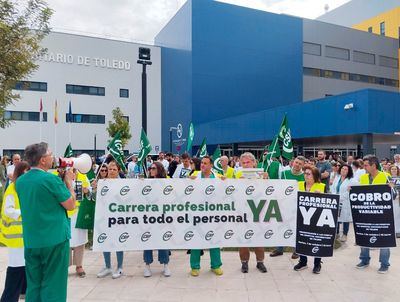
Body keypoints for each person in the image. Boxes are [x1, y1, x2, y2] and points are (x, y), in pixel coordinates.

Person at [15, 142, 76, 301]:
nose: (53, 157)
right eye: (50, 154)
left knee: (34, 285)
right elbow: (70, 205)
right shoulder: (50, 180)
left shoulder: (20, 182)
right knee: (54, 285)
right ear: (42, 160)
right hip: (55, 239)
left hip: (32, 241)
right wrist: (69, 183)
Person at [356, 156, 392, 274]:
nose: (364, 167)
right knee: (364, 234)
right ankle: (364, 259)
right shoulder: (363, 177)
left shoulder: (386, 176)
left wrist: (392, 189)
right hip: (366, 213)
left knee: (384, 238)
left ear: (374, 165)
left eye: (366, 165)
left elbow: (395, 195)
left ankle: (384, 263)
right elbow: (359, 193)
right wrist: (352, 190)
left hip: (383, 214)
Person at [0, 161, 30, 302]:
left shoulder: (23, 187)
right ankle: (8, 298)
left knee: (23, 266)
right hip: (16, 237)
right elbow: (8, 210)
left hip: (24, 236)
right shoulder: (12, 189)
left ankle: (23, 292)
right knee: (16, 269)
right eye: (25, 172)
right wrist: (23, 212)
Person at [189, 156, 223, 276]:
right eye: (202, 163)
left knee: (214, 240)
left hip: (213, 215)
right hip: (198, 215)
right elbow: (181, 186)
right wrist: (188, 180)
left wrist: (226, 181)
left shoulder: (218, 177)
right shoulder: (195, 175)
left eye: (205, 163)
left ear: (211, 165)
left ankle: (216, 265)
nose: (202, 165)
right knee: (196, 241)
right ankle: (195, 267)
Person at [235, 152, 268, 273]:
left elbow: (269, 191)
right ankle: (244, 263)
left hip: (258, 210)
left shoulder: (262, 174)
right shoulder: (237, 174)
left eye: (248, 162)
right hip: (243, 211)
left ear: (254, 163)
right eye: (243, 163)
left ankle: (260, 262)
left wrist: (266, 180)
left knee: (258, 239)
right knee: (243, 239)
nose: (246, 165)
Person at [270, 156, 306, 258]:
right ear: (293, 162)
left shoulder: (304, 176)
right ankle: (279, 249)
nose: (297, 165)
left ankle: (297, 250)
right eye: (296, 162)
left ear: (303, 165)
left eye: (300, 163)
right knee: (282, 226)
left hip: (298, 206)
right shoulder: (284, 174)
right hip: (284, 205)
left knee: (296, 228)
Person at [294, 165, 326, 274]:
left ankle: (317, 264)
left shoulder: (322, 186)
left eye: (308, 174)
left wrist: (322, 195)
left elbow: (330, 201)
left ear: (315, 176)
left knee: (316, 240)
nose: (306, 176)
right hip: (301, 217)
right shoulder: (298, 185)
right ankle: (303, 261)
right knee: (302, 239)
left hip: (316, 219)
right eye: (305, 173)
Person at [97, 161, 125, 279]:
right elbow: (94, 198)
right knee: (105, 241)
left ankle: (119, 267)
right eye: (110, 169)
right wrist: (93, 190)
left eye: (114, 169)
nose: (111, 171)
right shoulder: (102, 183)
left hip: (118, 218)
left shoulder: (123, 184)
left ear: (118, 171)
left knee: (118, 242)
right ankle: (108, 266)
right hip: (104, 217)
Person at [143, 162, 171, 277]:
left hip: (162, 216)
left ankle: (166, 265)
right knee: (147, 240)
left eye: (153, 168)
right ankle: (147, 265)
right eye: (150, 168)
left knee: (163, 241)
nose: (151, 170)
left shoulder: (167, 181)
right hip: (149, 217)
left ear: (159, 169)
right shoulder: (146, 182)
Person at [68, 169, 90, 278]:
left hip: (80, 214)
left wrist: (87, 191)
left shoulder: (83, 176)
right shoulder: (61, 175)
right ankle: (65, 266)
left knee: (80, 240)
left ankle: (79, 265)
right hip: (66, 214)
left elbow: (89, 192)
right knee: (65, 241)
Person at [331, 164, 356, 242]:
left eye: (346, 169)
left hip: (345, 202)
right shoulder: (337, 177)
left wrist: (340, 197)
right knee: (336, 217)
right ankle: (337, 233)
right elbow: (333, 188)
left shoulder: (352, 180)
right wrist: (334, 196)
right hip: (336, 200)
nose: (343, 170)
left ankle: (345, 234)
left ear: (349, 171)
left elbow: (350, 192)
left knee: (345, 218)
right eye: (342, 169)